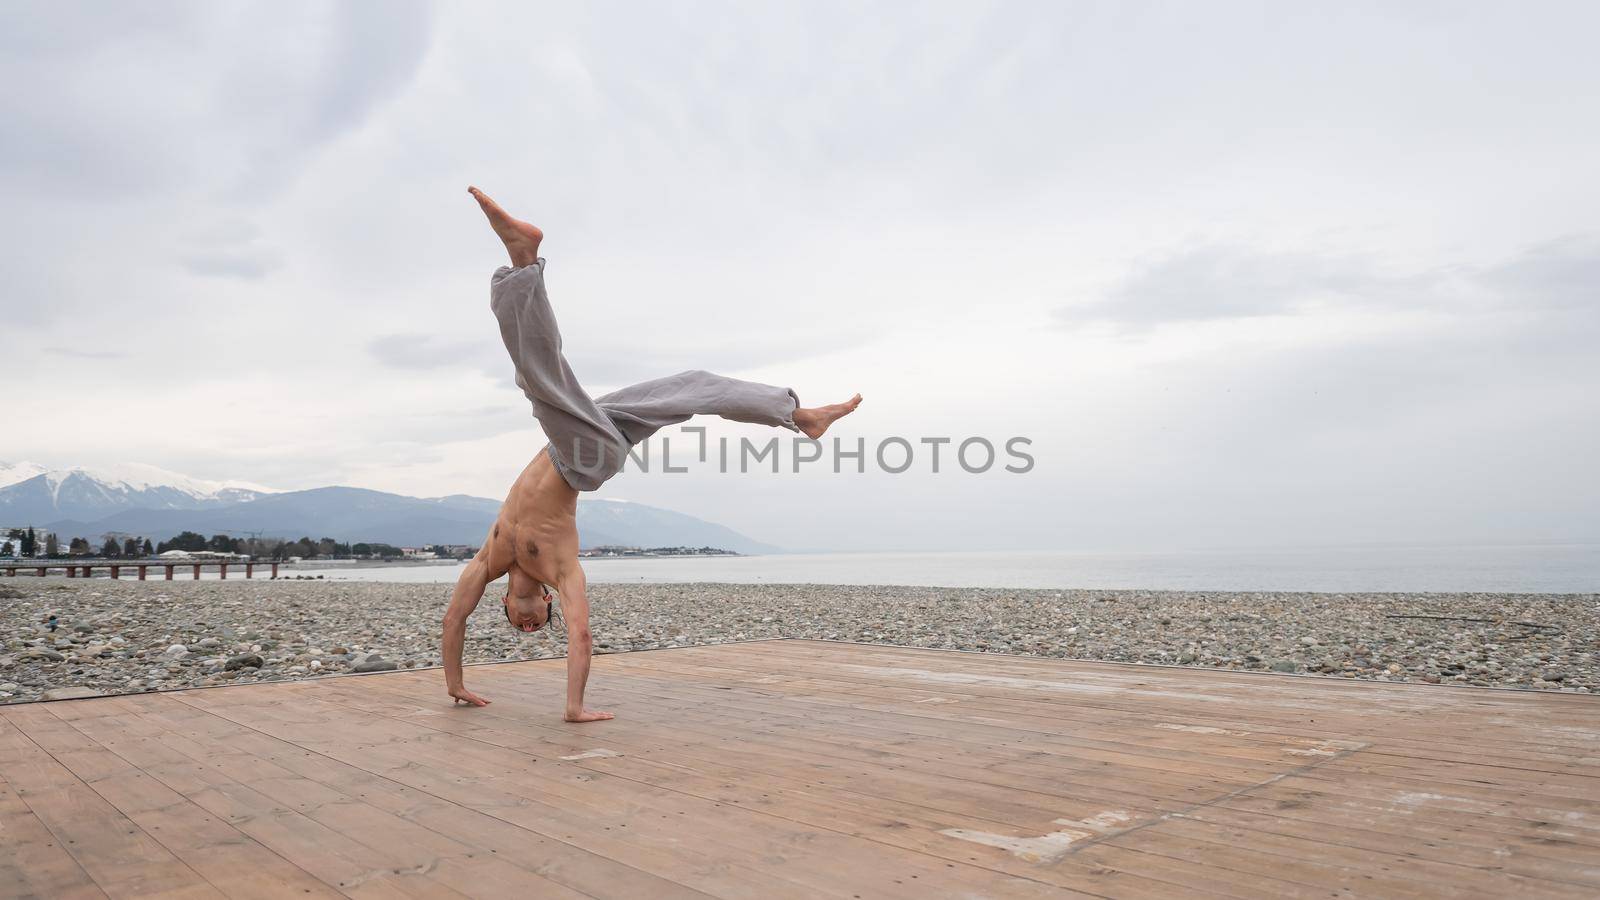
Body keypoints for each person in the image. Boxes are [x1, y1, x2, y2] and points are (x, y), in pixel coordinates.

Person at [442, 187, 862, 722]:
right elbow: (582, 633)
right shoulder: (561, 569)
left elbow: (455, 619)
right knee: (541, 383)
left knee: (689, 384)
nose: (528, 625)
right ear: (548, 603)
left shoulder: (490, 559)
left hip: (581, 434)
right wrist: (574, 709)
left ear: (506, 603)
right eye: (534, 627)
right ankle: (523, 261)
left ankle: (796, 415)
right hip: (584, 459)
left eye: (520, 623)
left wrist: (454, 683)